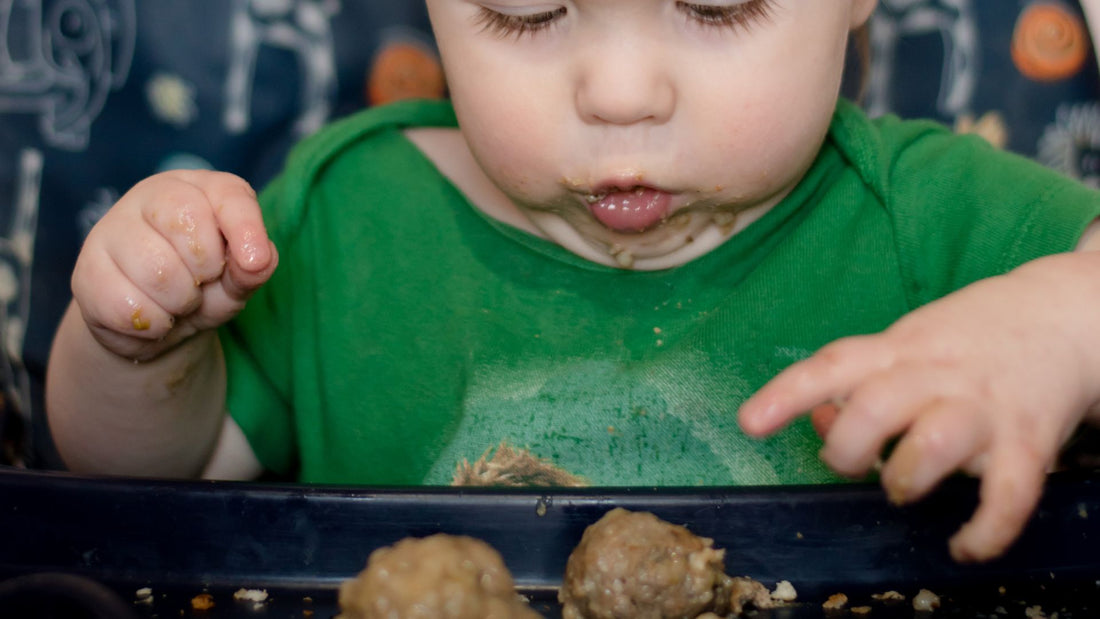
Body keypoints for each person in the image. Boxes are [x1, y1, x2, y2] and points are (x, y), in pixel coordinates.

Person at [44, 0, 1100, 564]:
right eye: (526, 12)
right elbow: (151, 482)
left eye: (718, 3)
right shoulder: (342, 221)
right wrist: (138, 344)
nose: (619, 92)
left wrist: (1065, 319)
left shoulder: (924, 217)